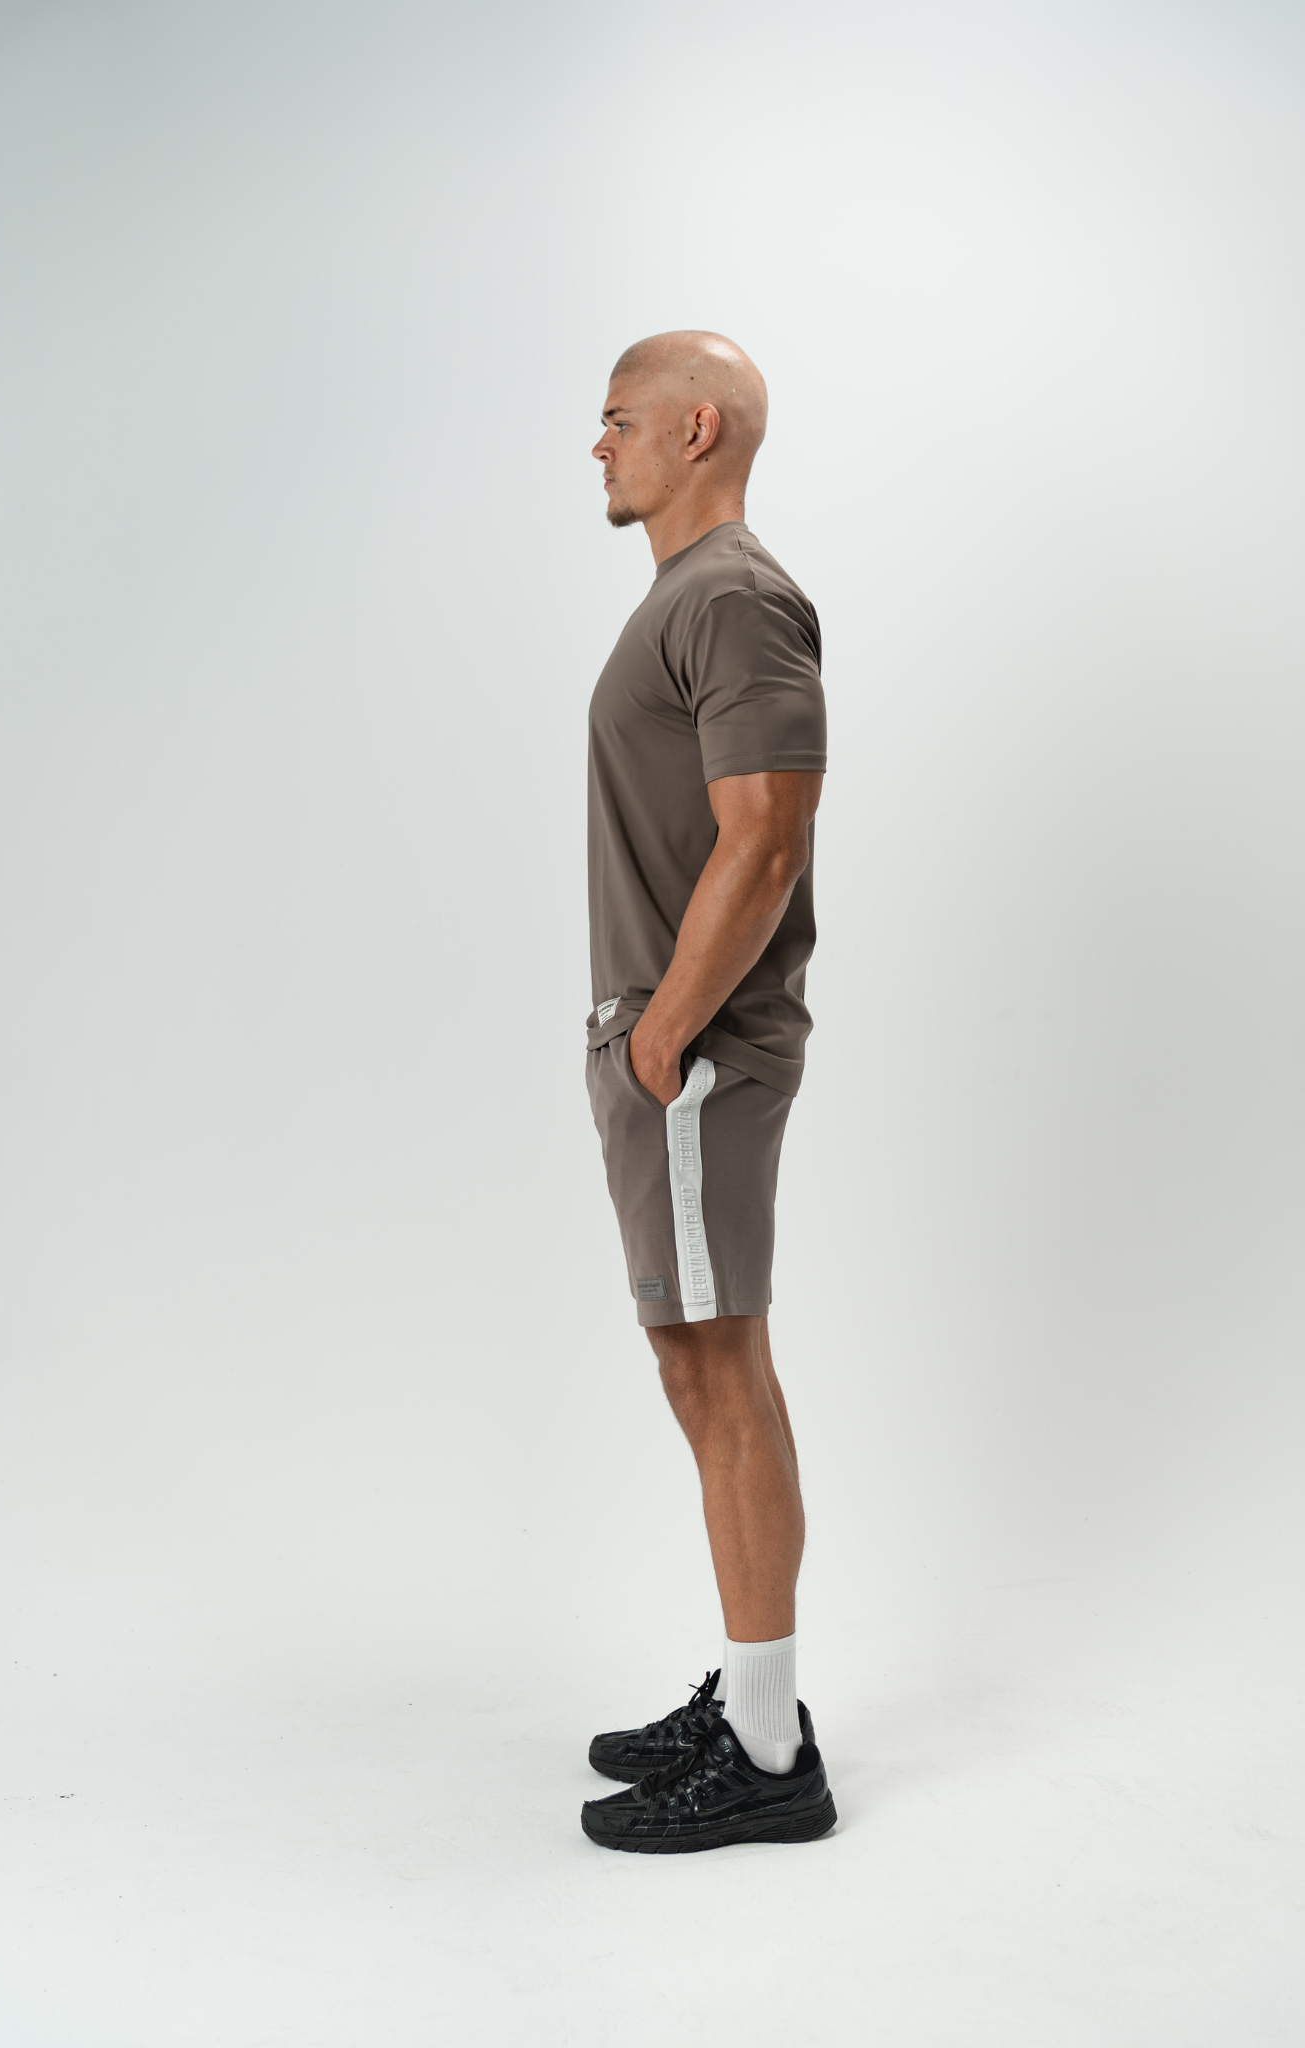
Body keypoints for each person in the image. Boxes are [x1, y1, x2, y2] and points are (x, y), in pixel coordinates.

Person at [579, 331, 836, 1853]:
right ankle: (752, 1702)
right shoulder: (685, 598)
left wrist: (666, 1031)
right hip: (667, 1048)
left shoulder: (733, 595)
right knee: (699, 1365)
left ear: (693, 428)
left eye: (617, 418)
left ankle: (767, 1755)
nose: (597, 444)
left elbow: (769, 834)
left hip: (698, 1053)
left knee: (721, 1368)